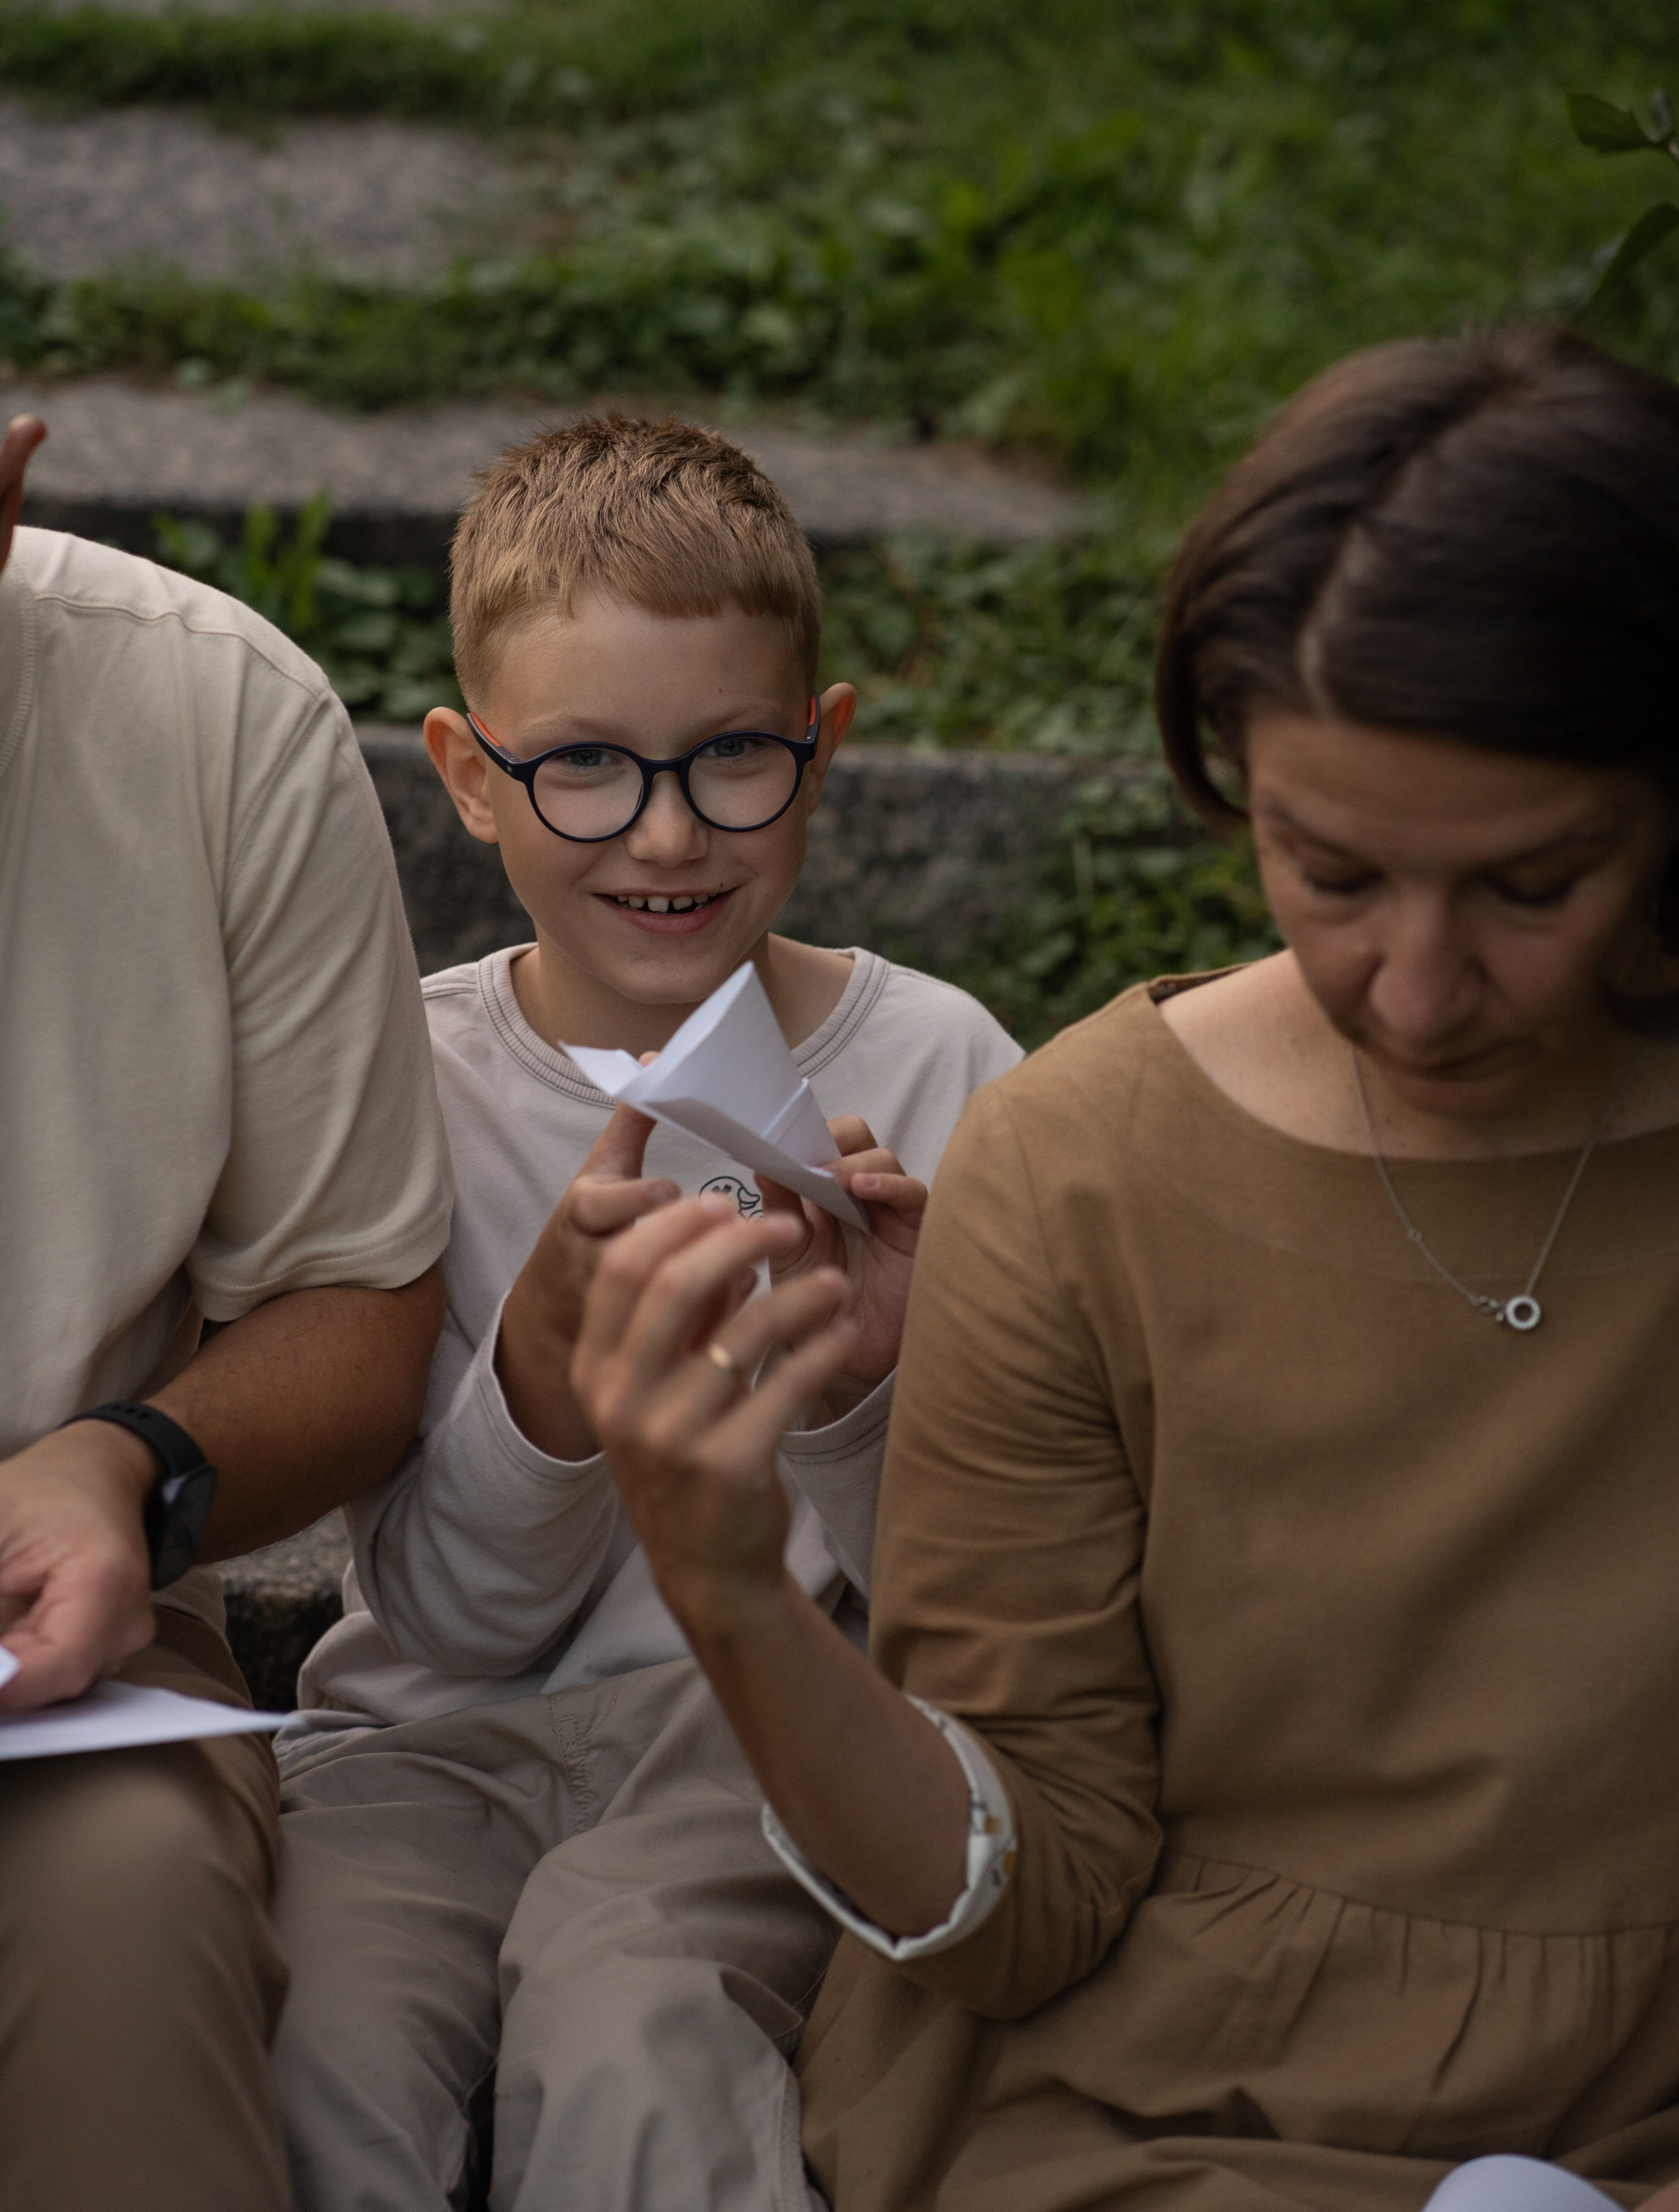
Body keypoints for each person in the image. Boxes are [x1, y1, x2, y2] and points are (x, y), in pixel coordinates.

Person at [559, 330, 1679, 2211]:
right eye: (1323, 870)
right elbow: (1028, 1896)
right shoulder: (1085, 1165)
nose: (1412, 988)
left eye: (1528, 887)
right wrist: (732, 1589)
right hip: (1161, 2129)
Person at [268, 414, 1020, 2212]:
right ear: (466, 773)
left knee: (630, 2017)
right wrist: (542, 1371)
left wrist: (855, 1384)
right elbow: (444, 1617)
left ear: (822, 751)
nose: (666, 832)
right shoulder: (412, 1081)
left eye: (733, 760)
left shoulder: (944, 1070)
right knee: (321, 2049)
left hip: (757, 1736)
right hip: (421, 1750)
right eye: (585, 766)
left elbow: (977, 1583)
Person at [0, 414, 454, 2212]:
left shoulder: (208, 718)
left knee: (126, 1901)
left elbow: (356, 1302)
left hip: (50, 1654)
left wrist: (128, 1464)